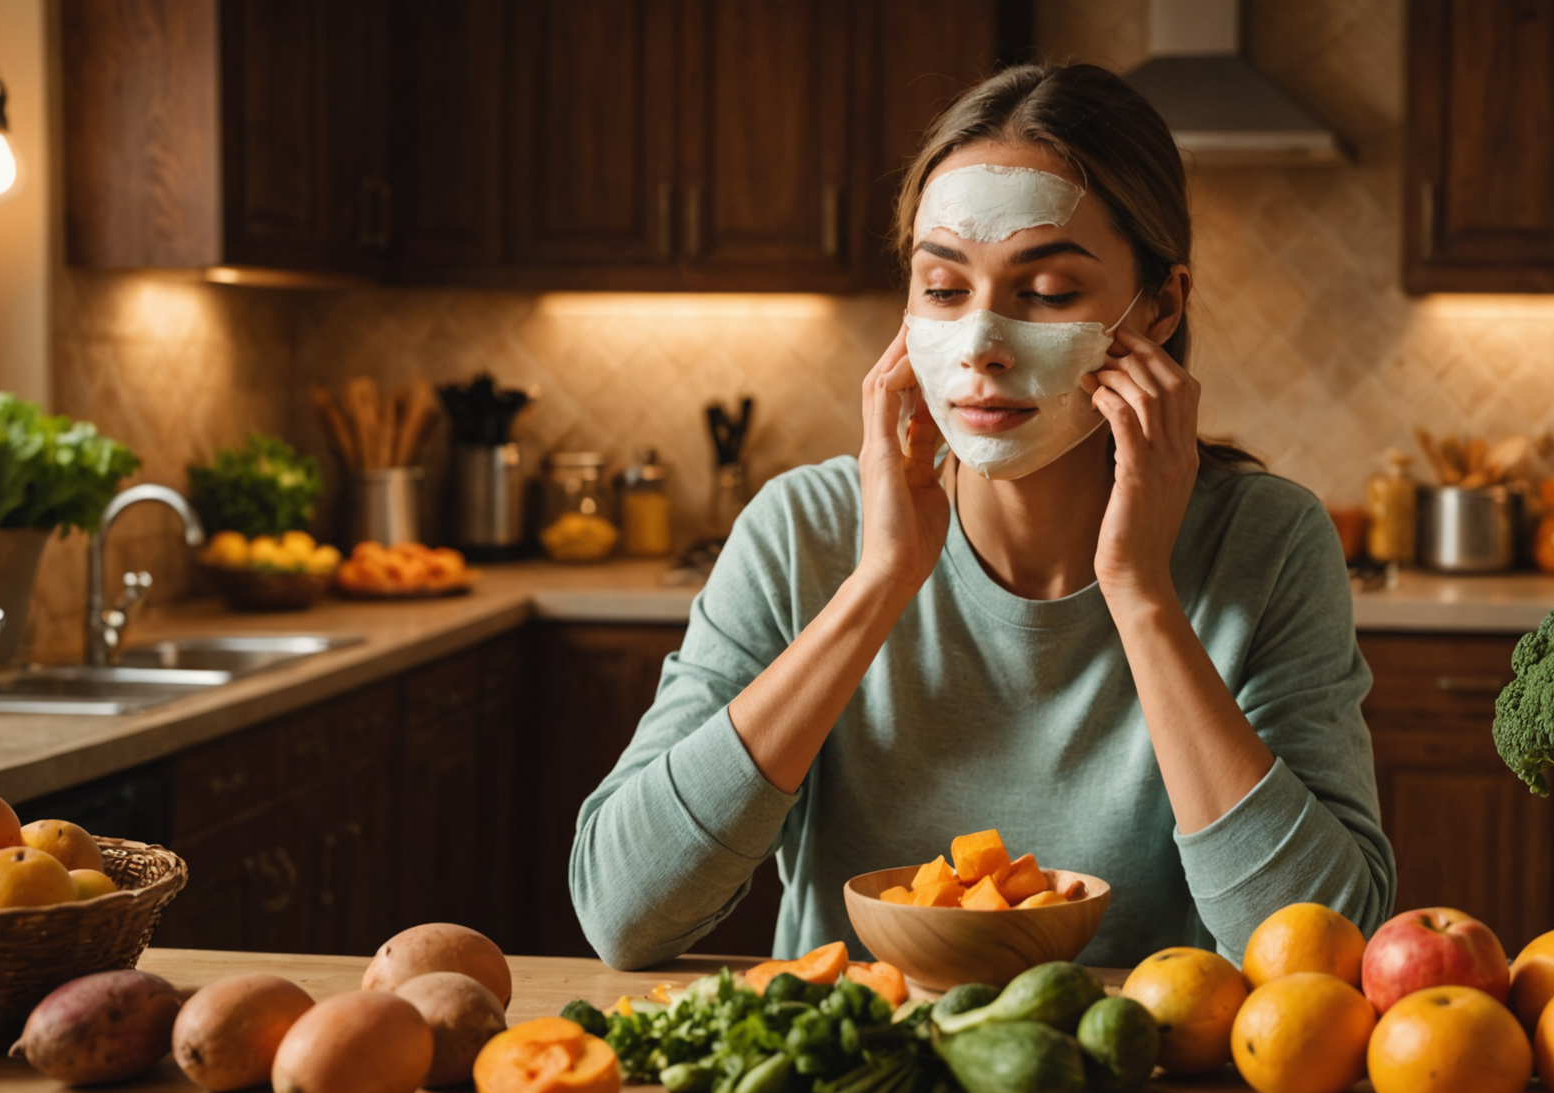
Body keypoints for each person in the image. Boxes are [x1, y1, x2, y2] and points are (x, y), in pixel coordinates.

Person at [571, 63, 1394, 970]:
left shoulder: (1269, 544)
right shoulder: (800, 530)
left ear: (1159, 307)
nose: (982, 345)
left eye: (1048, 293)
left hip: (1147, 1060)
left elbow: (1325, 952)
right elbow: (624, 914)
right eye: (944, 287)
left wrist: (1141, 595)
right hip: (858, 1054)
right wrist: (879, 582)